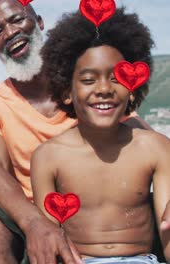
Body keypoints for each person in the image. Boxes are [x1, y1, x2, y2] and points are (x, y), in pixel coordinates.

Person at [0, 0, 153, 263]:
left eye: (17, 20)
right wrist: (35, 223)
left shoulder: (88, 84)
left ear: (39, 22)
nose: (9, 32)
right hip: (32, 215)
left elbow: (144, 138)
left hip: (106, 212)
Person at [32, 7, 170, 263]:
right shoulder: (48, 156)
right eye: (88, 80)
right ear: (67, 92)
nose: (104, 89)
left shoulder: (156, 148)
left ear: (132, 89)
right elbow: (49, 239)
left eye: (117, 78)